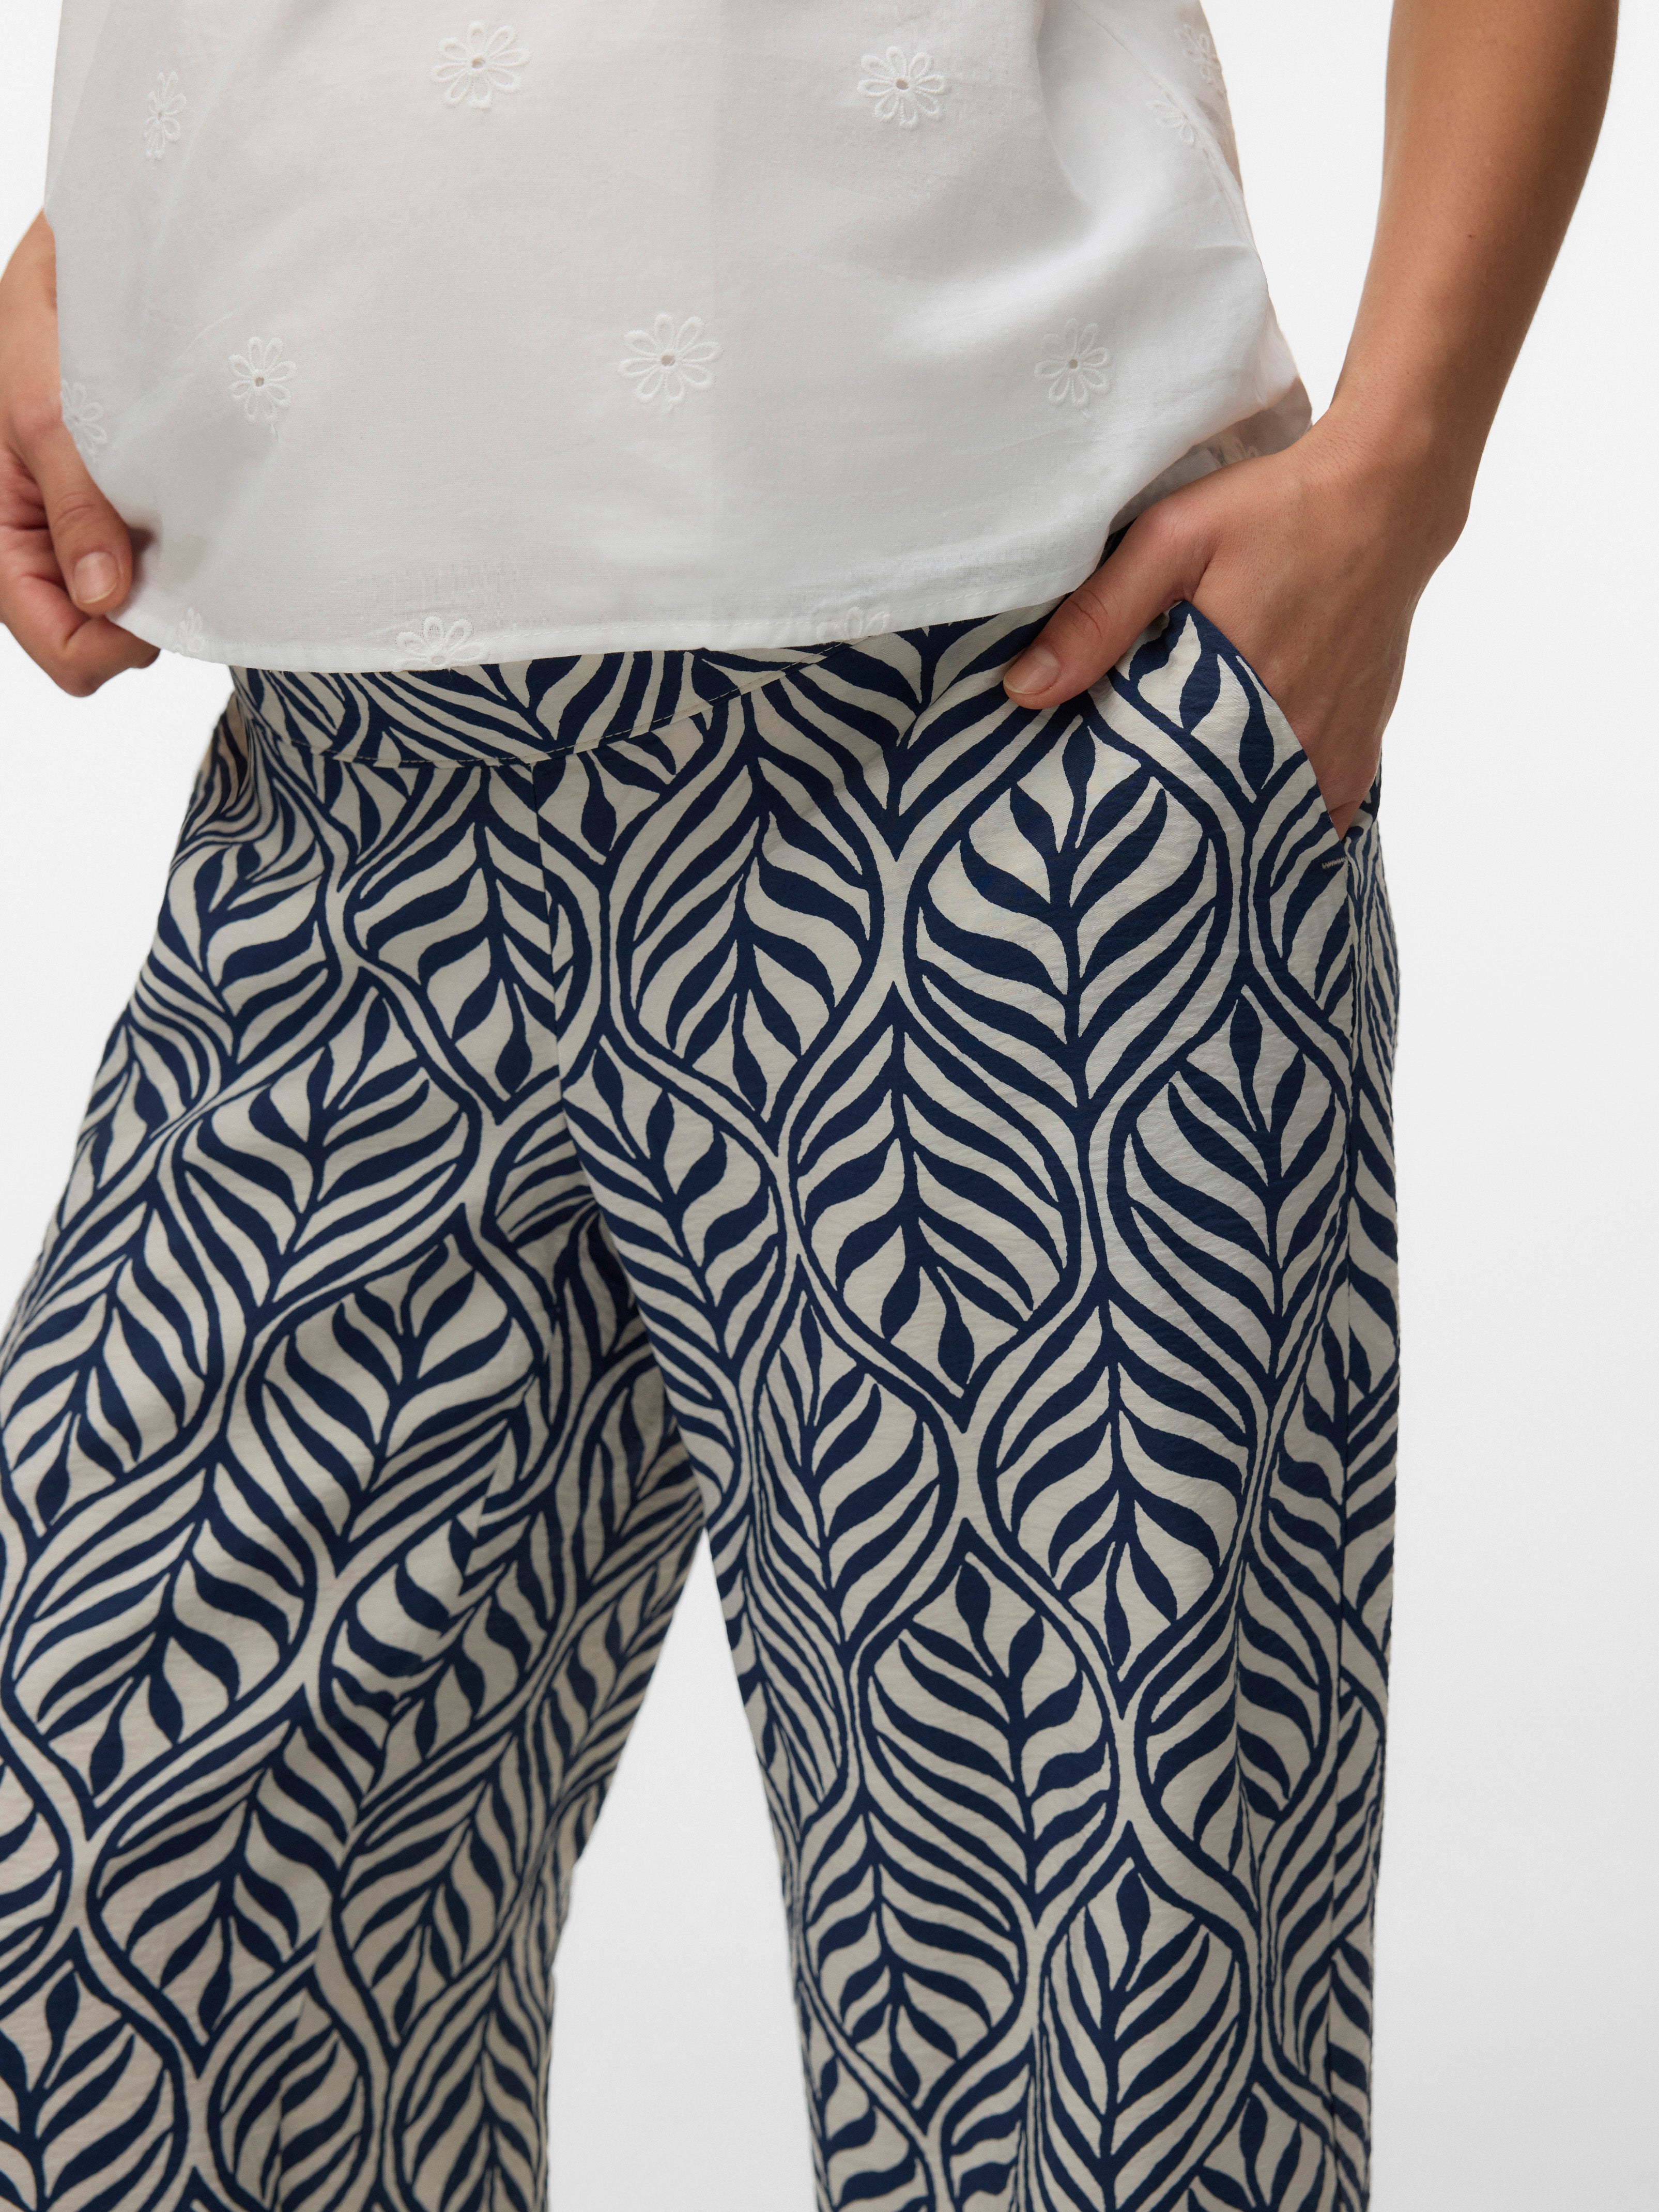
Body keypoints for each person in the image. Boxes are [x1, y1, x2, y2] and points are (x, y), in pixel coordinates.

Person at [0, 0, 1615, 2204]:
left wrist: (1400, 466)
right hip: (358, 809)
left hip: (1004, 761)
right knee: (97, 1982)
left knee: (1083, 2086)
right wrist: (110, 232)